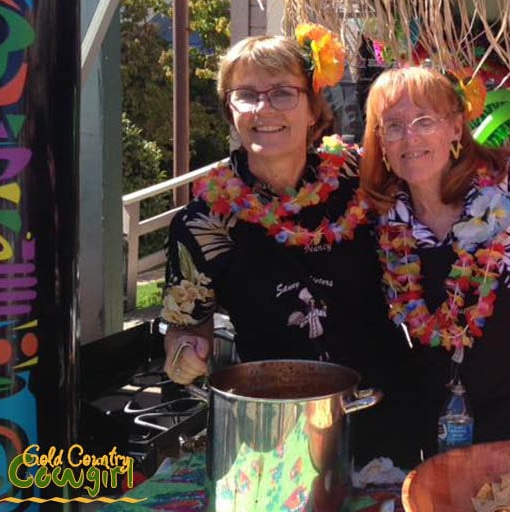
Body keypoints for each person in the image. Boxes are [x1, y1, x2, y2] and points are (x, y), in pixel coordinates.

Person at [160, 29, 410, 465]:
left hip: (387, 412)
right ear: (229, 111)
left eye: (282, 93)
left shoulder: (358, 176)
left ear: (314, 108)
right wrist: (185, 354)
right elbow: (186, 328)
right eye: (247, 95)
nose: (264, 109)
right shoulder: (204, 223)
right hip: (278, 433)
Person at [360, 66, 510, 464]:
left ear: (456, 127)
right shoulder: (384, 213)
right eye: (393, 126)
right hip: (434, 426)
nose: (409, 137)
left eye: (425, 121)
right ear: (380, 140)